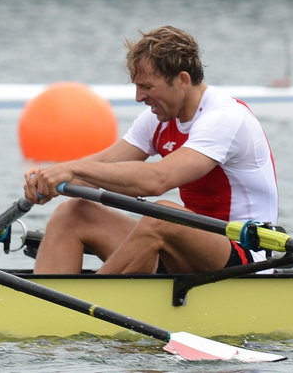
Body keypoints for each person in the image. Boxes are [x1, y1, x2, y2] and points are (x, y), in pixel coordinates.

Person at [24, 26, 278, 275]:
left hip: (246, 256)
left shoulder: (225, 118)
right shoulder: (158, 119)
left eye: (147, 87)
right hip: (187, 250)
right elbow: (100, 169)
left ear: (182, 80)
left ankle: (87, 309)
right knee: (73, 213)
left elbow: (157, 181)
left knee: (163, 215)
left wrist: (72, 168)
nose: (138, 97)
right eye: (136, 86)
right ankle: (46, 305)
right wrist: (51, 177)